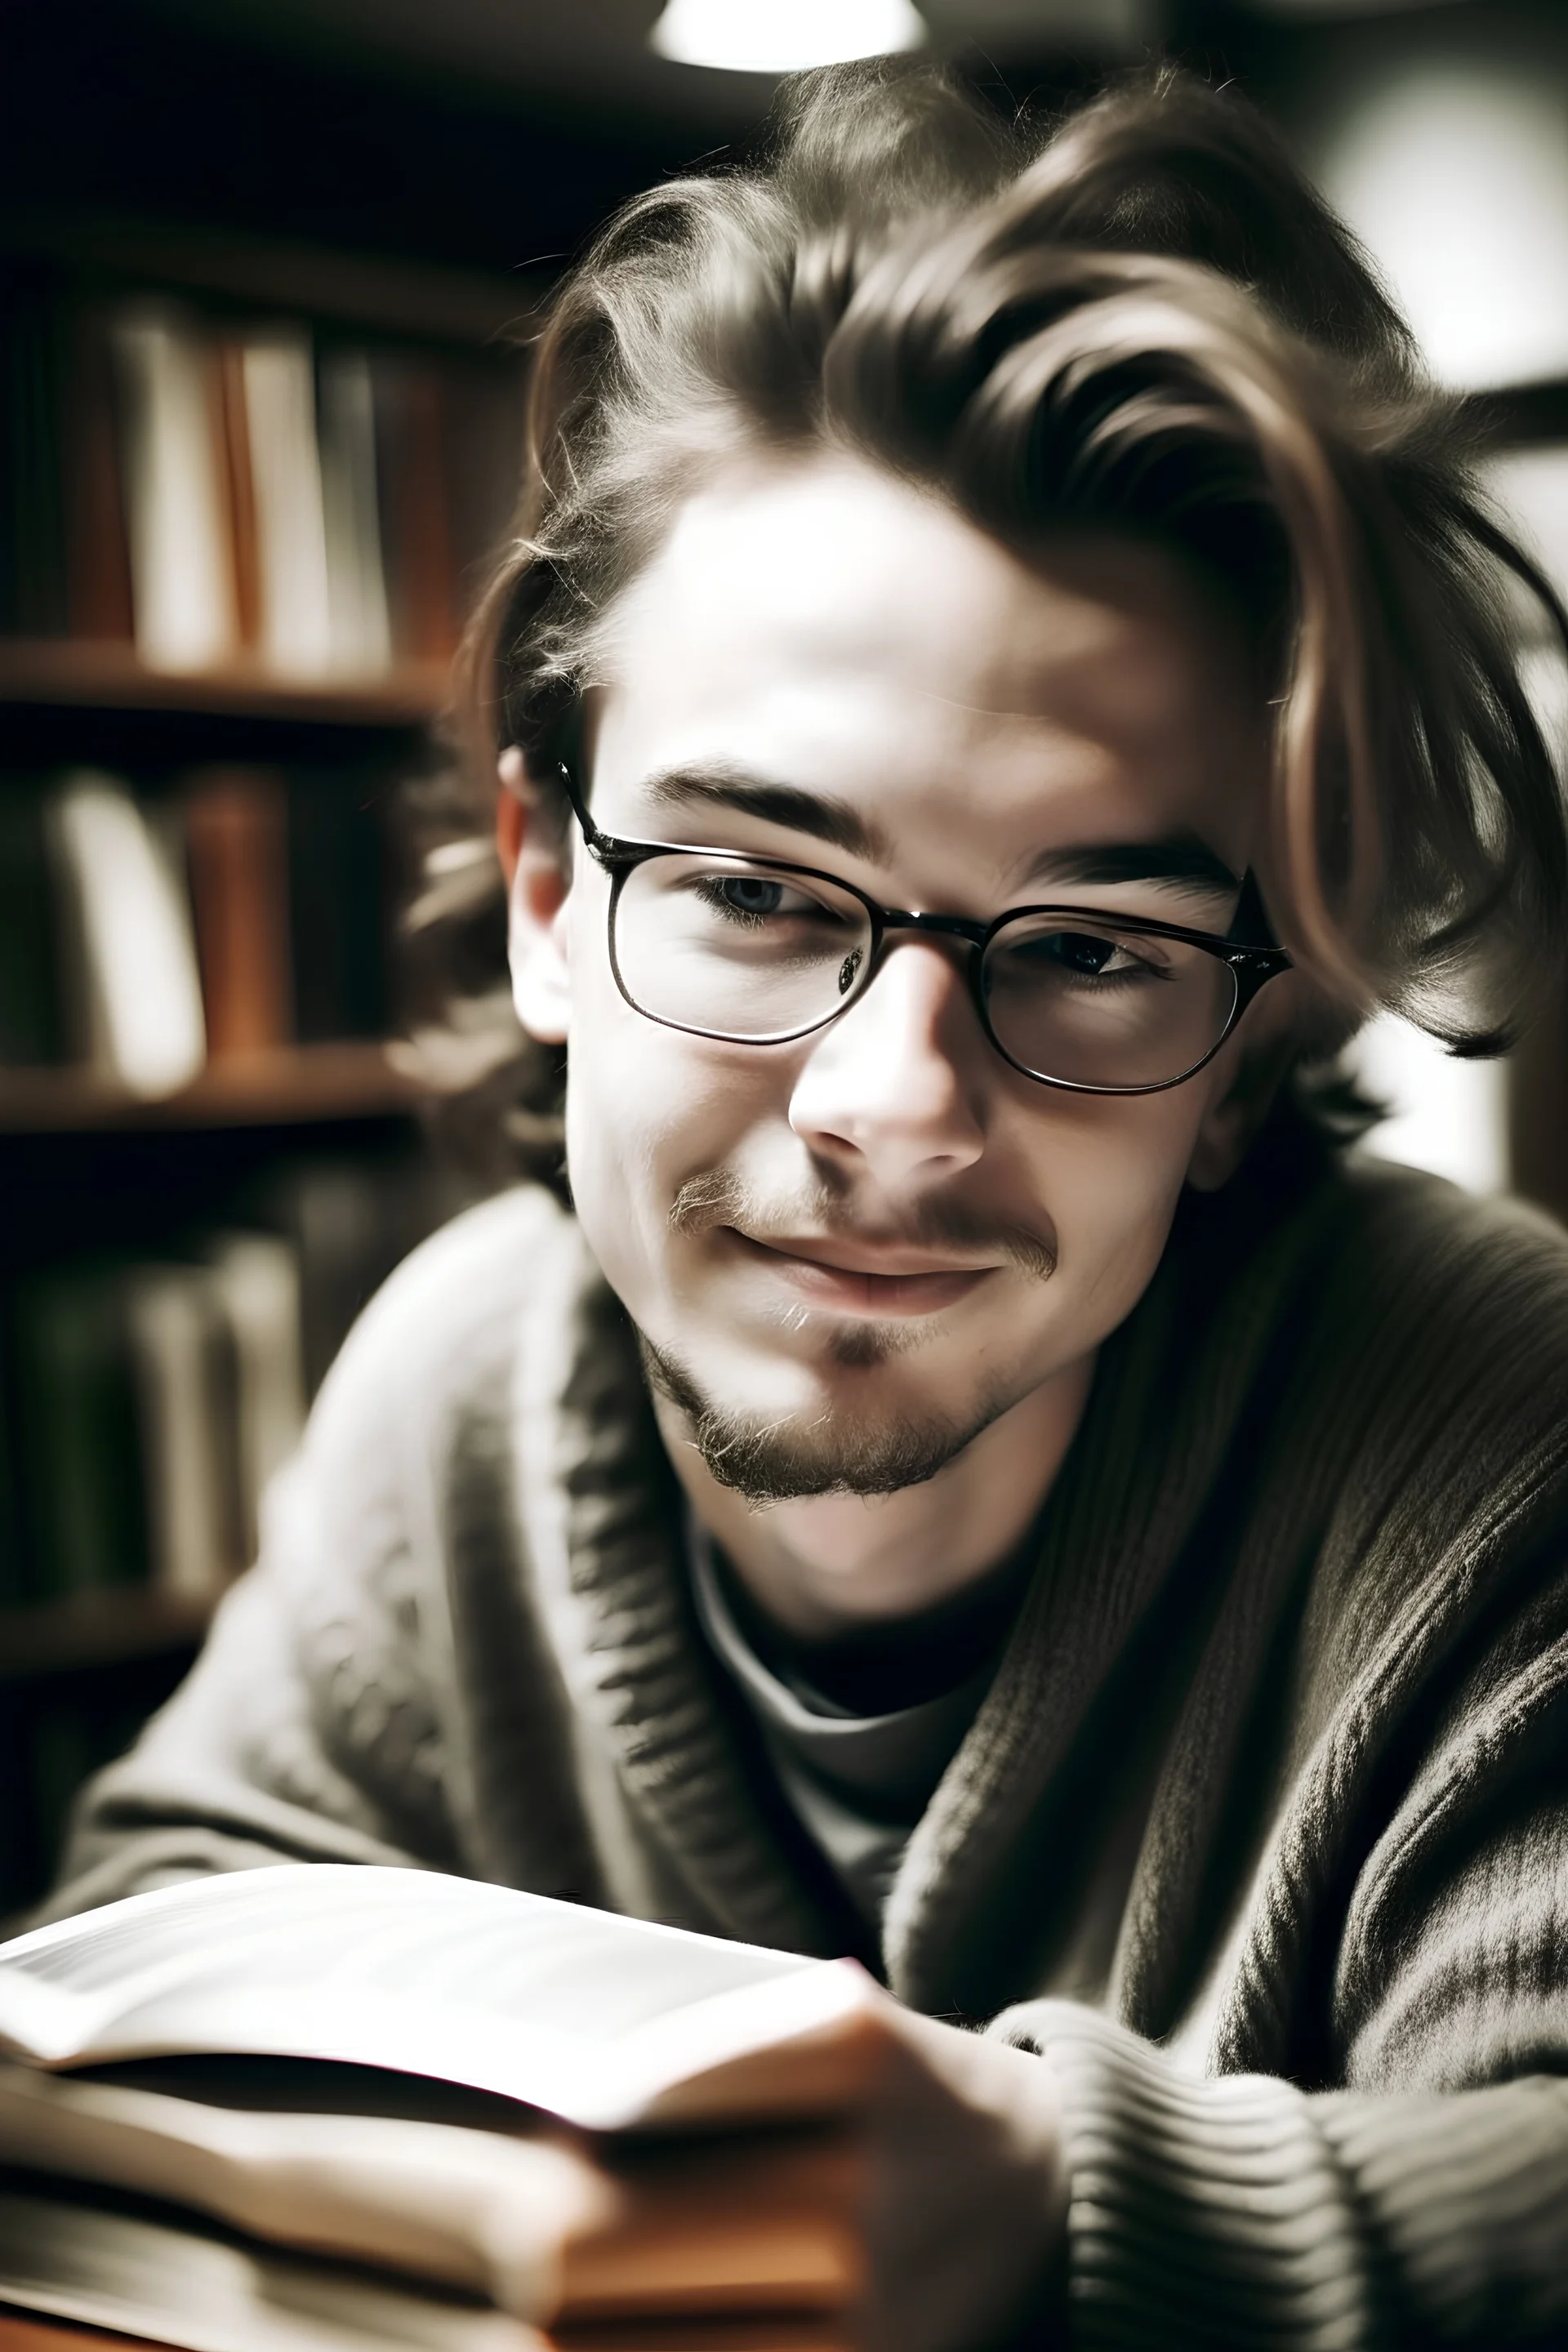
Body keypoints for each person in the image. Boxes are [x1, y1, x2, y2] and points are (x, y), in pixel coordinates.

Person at [41, 59, 1568, 2350]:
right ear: (553, 893)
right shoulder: (468, 1367)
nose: (895, 1112)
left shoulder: (1495, 1424)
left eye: (1092, 947)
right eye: (760, 890)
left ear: (1252, 1035)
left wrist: (1062, 2216)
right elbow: (160, 1930)